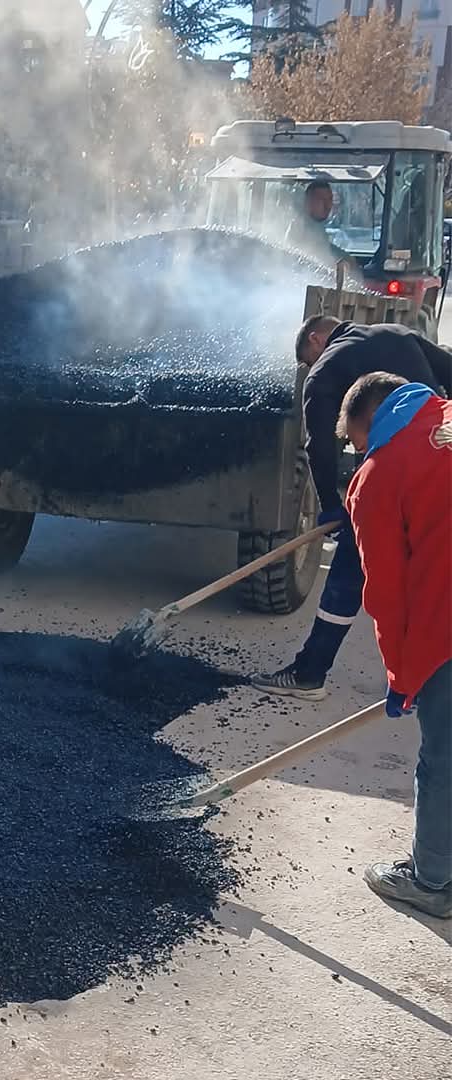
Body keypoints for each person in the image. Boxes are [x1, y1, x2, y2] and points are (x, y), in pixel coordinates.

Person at [252, 317, 452, 699]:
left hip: (397, 463)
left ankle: (311, 673)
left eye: (307, 359)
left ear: (315, 340)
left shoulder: (324, 370)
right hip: (437, 439)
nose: (311, 366)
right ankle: (430, 675)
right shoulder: (397, 332)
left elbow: (320, 446)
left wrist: (332, 506)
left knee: (351, 569)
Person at [337, 372, 451, 918]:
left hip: (445, 629)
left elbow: (385, 592)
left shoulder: (378, 477)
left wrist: (402, 677)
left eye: (359, 444)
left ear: (369, 420)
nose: (361, 455)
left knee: (445, 759)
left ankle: (432, 882)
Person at [284, 180, 351, 266]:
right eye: (321, 199)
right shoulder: (300, 227)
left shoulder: (317, 226)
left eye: (330, 199)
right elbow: (311, 257)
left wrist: (347, 258)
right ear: (308, 201)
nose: (328, 205)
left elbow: (327, 249)